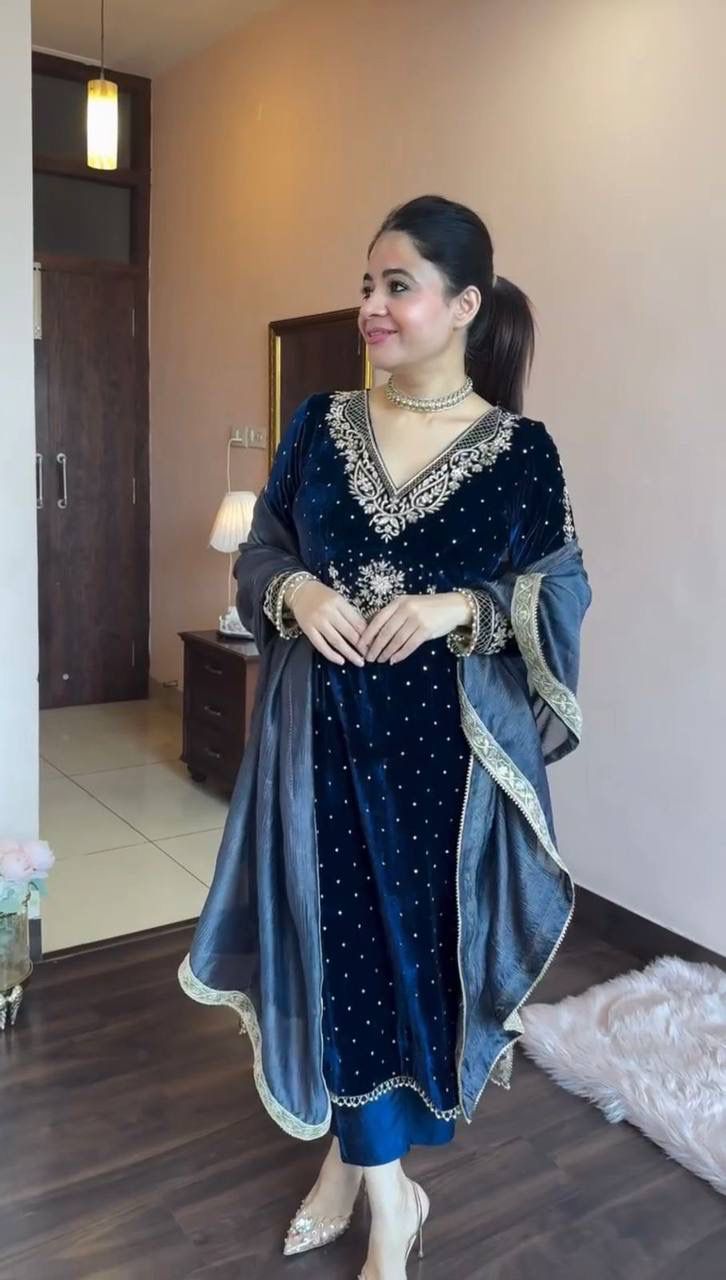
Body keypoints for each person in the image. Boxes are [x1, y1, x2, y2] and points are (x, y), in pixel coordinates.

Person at [178, 193, 591, 1280]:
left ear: (464, 305)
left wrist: (461, 607)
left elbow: (558, 589)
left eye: (397, 286)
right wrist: (297, 589)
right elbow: (262, 549)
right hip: (316, 752)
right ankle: (386, 1200)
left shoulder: (522, 453)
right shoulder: (320, 425)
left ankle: (357, 1171)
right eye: (367, 283)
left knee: (413, 980)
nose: (371, 304)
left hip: (445, 776)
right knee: (335, 965)